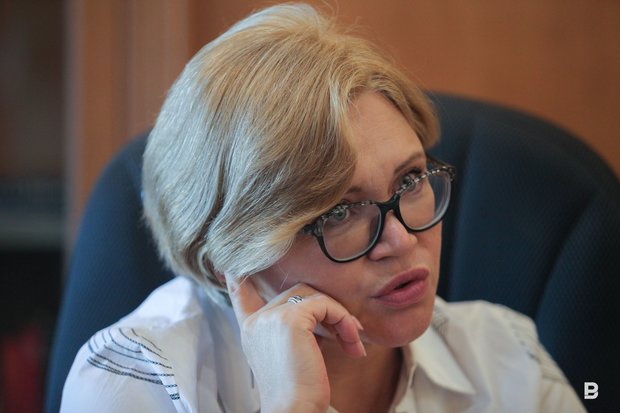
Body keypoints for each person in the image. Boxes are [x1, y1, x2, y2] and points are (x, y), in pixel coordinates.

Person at [60, 3, 585, 412]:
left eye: (410, 180)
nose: (401, 240)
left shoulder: (507, 360)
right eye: (338, 213)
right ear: (228, 261)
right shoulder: (135, 383)